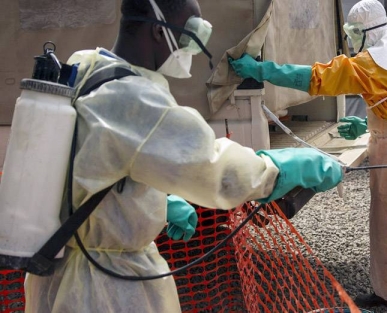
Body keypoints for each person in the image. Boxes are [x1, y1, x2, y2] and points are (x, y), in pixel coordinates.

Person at [23, 0, 343, 312]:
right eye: (191, 33)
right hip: (108, 290)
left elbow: (95, 163)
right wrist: (281, 168)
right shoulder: (135, 99)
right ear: (157, 30)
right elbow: (216, 170)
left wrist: (156, 200)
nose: (193, 46)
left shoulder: (86, 66)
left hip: (56, 269)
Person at [229, 0, 387, 311]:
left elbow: (315, 78)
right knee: (385, 225)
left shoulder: (370, 63)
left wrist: (261, 70)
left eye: (353, 32)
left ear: (364, 31)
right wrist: (369, 123)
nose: (351, 39)